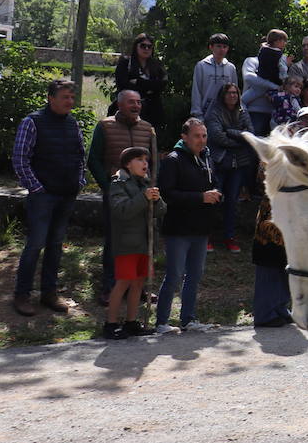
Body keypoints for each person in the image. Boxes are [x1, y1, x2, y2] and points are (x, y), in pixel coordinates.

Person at [12, 78, 86, 316]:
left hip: (66, 194)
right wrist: (36, 188)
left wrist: (79, 181)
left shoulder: (72, 124)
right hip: (43, 196)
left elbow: (80, 155)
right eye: (65, 97)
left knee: (55, 246)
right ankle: (22, 295)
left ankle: (49, 293)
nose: (70, 101)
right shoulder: (32, 122)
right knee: (35, 245)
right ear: (50, 98)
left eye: (72, 97)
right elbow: (20, 159)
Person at [87, 89, 158, 302]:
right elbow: (94, 160)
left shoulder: (148, 129)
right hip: (117, 194)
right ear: (120, 105)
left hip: (142, 194)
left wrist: (152, 185)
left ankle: (139, 286)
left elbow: (154, 162)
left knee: (142, 239)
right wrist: (108, 187)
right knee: (115, 240)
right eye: (131, 102)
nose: (136, 106)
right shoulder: (104, 126)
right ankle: (110, 287)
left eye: (138, 102)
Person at [155, 118, 220, 334]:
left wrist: (216, 194)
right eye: (196, 136)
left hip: (201, 228)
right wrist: (200, 197)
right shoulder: (173, 160)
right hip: (178, 229)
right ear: (184, 137)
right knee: (174, 274)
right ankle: (162, 322)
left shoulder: (206, 158)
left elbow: (214, 183)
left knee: (195, 274)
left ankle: (188, 319)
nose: (201, 140)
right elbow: (168, 194)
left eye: (204, 135)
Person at [102, 147, 165, 339]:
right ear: (128, 164)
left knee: (138, 283)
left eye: (146, 159)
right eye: (139, 159)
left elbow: (161, 211)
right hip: (127, 243)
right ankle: (111, 324)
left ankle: (131, 322)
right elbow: (122, 211)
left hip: (144, 243)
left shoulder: (145, 183)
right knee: (123, 283)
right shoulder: (118, 184)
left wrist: (157, 199)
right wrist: (143, 197)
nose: (145, 163)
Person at [205, 83, 256, 252]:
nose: (233, 96)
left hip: (239, 163)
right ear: (223, 95)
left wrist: (231, 131)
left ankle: (230, 237)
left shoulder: (242, 110)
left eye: (235, 93)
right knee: (214, 199)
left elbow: (250, 133)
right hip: (219, 161)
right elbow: (216, 136)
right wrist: (239, 140)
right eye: (229, 93)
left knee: (232, 202)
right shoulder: (214, 111)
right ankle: (207, 237)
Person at [251, 179, 293, 328]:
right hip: (271, 219)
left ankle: (280, 309)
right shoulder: (271, 159)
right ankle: (264, 314)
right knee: (269, 267)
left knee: (284, 266)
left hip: (288, 217)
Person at [113, 34, 167, 131]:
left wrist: (138, 82)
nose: (146, 49)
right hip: (129, 110)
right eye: (143, 46)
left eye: (149, 46)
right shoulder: (125, 63)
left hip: (153, 111)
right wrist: (150, 86)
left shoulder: (157, 65)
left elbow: (161, 85)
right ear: (136, 46)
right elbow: (123, 85)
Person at [242, 29, 289, 136]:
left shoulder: (279, 62)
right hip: (256, 111)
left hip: (274, 112)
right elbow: (249, 77)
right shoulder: (252, 61)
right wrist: (273, 86)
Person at [191, 33, 238, 121]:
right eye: (218, 46)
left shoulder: (231, 68)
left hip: (226, 113)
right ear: (211, 47)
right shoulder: (201, 66)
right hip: (206, 112)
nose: (222, 49)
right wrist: (197, 114)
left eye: (224, 47)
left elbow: (235, 92)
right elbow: (196, 91)